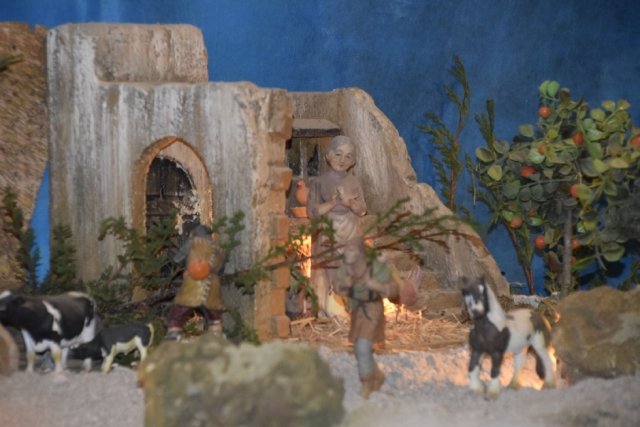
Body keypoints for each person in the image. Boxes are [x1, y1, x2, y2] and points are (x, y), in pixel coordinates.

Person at [307, 135, 367, 316]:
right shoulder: (318, 182)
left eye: (348, 156)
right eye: (338, 154)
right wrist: (332, 203)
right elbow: (312, 211)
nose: (342, 160)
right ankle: (323, 309)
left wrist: (350, 203)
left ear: (353, 162)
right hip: (328, 231)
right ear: (328, 155)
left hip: (350, 230)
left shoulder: (354, 182)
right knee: (326, 269)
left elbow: (362, 210)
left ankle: (349, 309)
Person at [334, 237, 398, 398]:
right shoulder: (347, 268)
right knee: (359, 348)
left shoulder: (375, 268)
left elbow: (394, 290)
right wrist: (345, 284)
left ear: (360, 253)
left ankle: (367, 382)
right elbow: (337, 287)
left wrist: (376, 285)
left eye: (351, 250)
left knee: (362, 346)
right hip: (357, 310)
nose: (347, 253)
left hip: (372, 309)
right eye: (346, 250)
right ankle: (377, 376)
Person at [165, 223, 226, 340]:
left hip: (193, 282)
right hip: (211, 283)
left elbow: (178, 259)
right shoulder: (217, 248)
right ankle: (216, 330)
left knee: (182, 307)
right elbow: (220, 267)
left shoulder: (191, 243)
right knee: (212, 309)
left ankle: (174, 330)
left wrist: (186, 266)